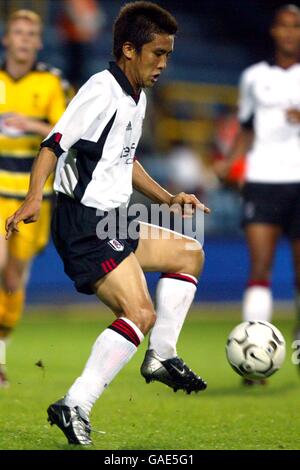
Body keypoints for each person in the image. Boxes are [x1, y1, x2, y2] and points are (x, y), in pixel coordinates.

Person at [6, 2, 210, 445]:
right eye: (157, 54)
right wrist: (33, 198)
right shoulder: (101, 89)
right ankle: (74, 403)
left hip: (116, 219)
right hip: (85, 222)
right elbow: (52, 144)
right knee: (139, 312)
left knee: (189, 253)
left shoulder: (138, 96)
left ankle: (161, 356)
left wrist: (168, 198)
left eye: (169, 55)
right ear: (129, 50)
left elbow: (126, 160)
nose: (163, 64)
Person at [215, 4, 300, 383]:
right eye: (283, 25)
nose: (288, 32)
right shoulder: (252, 77)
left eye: (295, 26)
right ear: (273, 31)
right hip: (261, 178)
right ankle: (255, 359)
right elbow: (246, 128)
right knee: (260, 268)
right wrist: (229, 161)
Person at [0, 10, 71, 388]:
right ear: (7, 39)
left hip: (32, 197)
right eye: (18, 32)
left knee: (12, 279)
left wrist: (31, 125)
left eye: (32, 33)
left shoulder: (51, 81)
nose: (25, 39)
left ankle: (1, 350)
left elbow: (69, 131)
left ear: (39, 42)